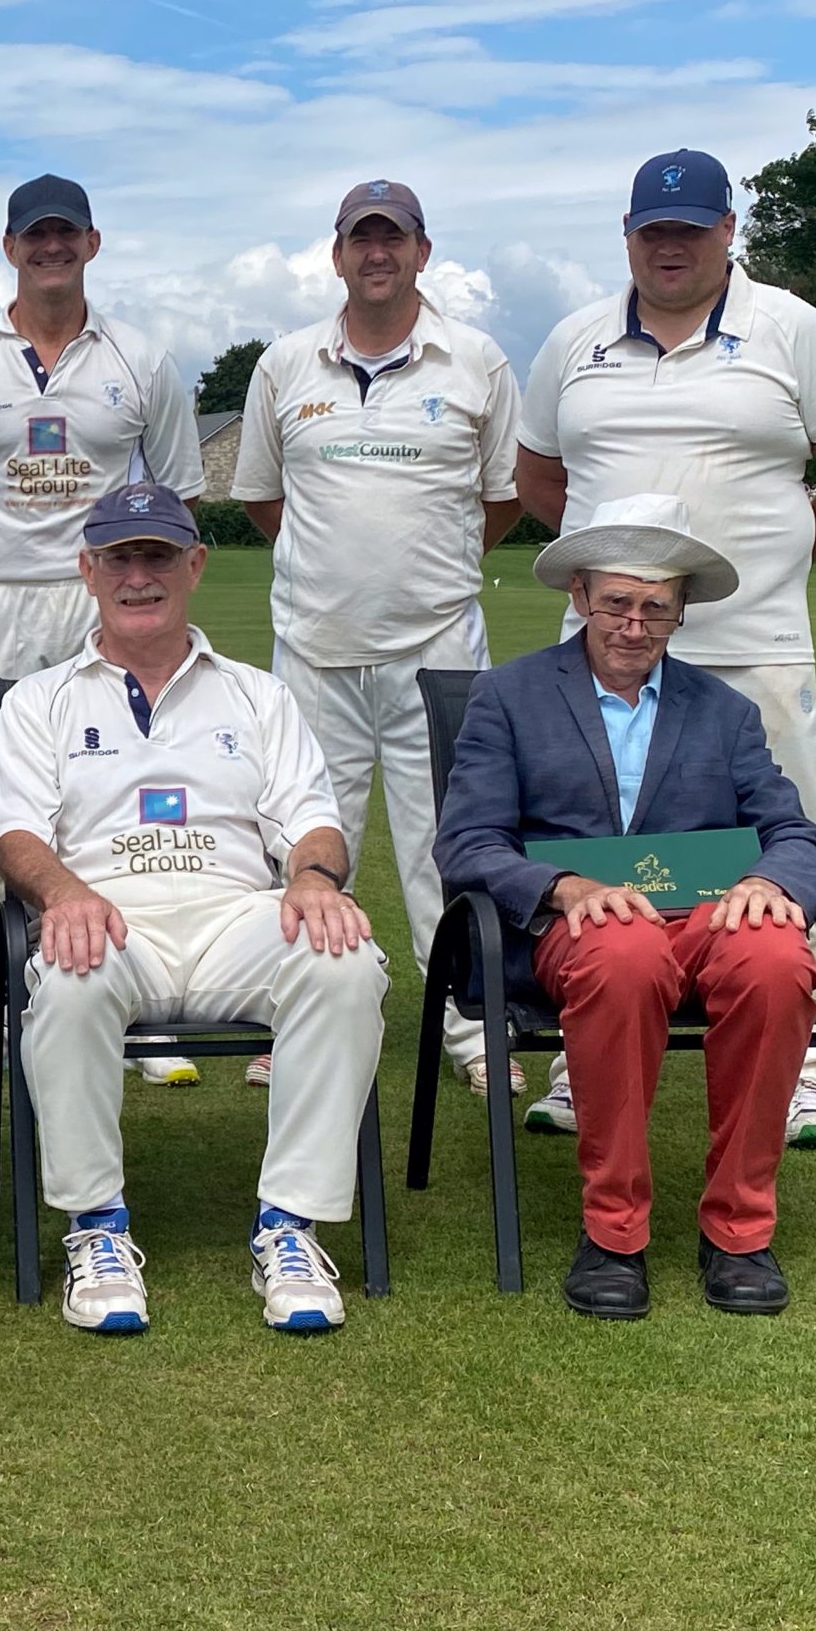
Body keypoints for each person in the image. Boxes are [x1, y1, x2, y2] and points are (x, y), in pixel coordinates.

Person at [513, 149, 816, 1147]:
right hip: (604, 649)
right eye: (652, 232)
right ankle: (578, 1057)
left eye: (689, 230)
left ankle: (804, 1066)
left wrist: (770, 561)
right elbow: (540, 481)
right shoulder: (574, 341)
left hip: (753, 641)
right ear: (628, 236)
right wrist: (619, 579)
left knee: (782, 849)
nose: (669, 248)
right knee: (593, 838)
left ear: (728, 230)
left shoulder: (795, 331)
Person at [434, 495, 816, 1319]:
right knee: (624, 951)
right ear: (581, 595)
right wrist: (562, 886)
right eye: (617, 603)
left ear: (682, 610)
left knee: (776, 957)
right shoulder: (508, 696)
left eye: (656, 608)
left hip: (702, 921)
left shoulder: (724, 711)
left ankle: (739, 1230)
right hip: (574, 927)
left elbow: (797, 834)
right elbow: (468, 840)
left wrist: (772, 883)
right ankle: (614, 1232)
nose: (634, 625)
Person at [0, 481, 387, 1337]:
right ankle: (96, 1228)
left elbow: (314, 821)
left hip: (236, 913)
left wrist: (314, 879)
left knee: (346, 962)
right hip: (108, 915)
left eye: (158, 556)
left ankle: (290, 1226)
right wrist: (63, 893)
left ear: (195, 565)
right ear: (88, 570)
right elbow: (15, 835)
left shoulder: (258, 695)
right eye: (119, 558)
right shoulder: (39, 700)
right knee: (71, 973)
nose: (139, 576)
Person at [0, 174, 207, 1087]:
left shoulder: (141, 362)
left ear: (91, 242)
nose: (51, 248)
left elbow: (177, 499)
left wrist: (100, 569)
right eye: (34, 235)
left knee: (120, 791)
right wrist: (10, 550)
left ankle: (133, 1002)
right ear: (10, 247)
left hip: (107, 597)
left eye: (66, 234)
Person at [235, 179, 523, 1099]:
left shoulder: (476, 361)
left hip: (439, 651)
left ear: (421, 252)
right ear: (337, 255)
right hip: (314, 649)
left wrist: (422, 574)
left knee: (451, 843)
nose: (377, 254)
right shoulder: (286, 364)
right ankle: (297, 1017)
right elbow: (265, 499)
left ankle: (471, 1024)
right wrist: (338, 574)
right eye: (361, 238)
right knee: (303, 842)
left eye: (393, 238)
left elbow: (501, 499)